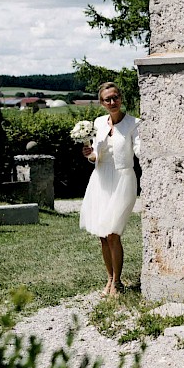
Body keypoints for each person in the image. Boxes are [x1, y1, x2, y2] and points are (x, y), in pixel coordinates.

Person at [80, 82, 140, 296]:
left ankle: (117, 281)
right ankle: (109, 278)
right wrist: (89, 154)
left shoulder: (134, 124)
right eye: (108, 99)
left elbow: (140, 150)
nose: (112, 102)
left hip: (123, 179)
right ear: (102, 102)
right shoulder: (98, 123)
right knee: (103, 235)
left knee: (113, 233)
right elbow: (96, 155)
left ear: (121, 98)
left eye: (115, 97)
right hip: (100, 179)